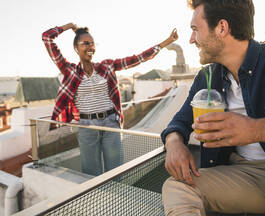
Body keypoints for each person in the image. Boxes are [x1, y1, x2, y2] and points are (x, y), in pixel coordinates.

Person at [161, 0, 265, 215]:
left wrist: (258, 129)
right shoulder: (207, 77)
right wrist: (173, 144)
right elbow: (179, 122)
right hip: (246, 175)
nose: (192, 39)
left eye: (195, 29)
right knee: (177, 187)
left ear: (221, 27)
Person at [42, 23, 178, 176]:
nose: (90, 47)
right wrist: (68, 27)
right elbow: (47, 37)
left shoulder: (106, 66)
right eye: (85, 43)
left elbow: (137, 59)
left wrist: (166, 42)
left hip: (110, 123)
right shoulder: (70, 70)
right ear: (75, 48)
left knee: (116, 172)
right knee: (91, 174)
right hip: (87, 127)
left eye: (92, 43)